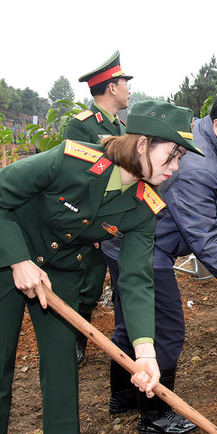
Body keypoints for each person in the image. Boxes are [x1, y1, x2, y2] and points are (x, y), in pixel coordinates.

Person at [0, 100, 201, 434]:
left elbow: (136, 279)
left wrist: (145, 352)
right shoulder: (70, 161)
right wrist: (18, 261)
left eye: (180, 157)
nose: (175, 167)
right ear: (142, 145)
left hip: (59, 270)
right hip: (1, 257)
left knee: (61, 362)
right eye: (172, 155)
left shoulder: (144, 206)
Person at [101, 91, 217, 434]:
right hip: (146, 250)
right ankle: (156, 415)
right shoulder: (198, 166)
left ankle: (124, 396)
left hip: (121, 244)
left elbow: (194, 218)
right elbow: (202, 238)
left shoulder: (200, 138)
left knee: (129, 322)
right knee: (166, 331)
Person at [63, 51, 133, 366]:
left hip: (120, 220)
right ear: (111, 87)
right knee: (89, 282)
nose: (128, 89)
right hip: (92, 221)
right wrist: (86, 224)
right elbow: (75, 177)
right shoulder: (82, 126)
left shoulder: (121, 127)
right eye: (124, 83)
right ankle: (77, 339)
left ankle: (124, 336)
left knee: (123, 280)